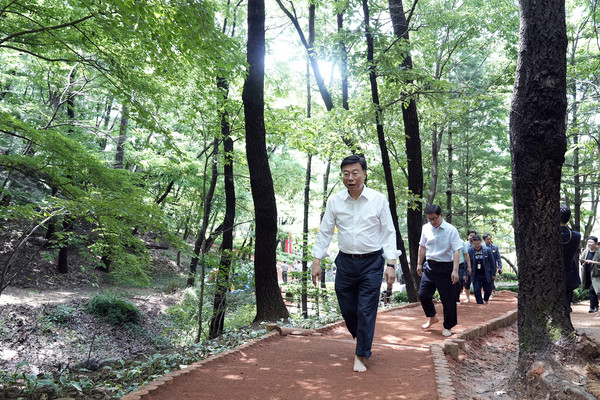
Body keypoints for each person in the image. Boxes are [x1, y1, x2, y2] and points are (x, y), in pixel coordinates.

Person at [311, 154, 397, 372]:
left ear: (365, 174)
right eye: (346, 173)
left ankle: (361, 353)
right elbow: (325, 231)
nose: (351, 177)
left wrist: (391, 264)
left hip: (372, 263)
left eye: (355, 172)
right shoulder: (335, 201)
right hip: (346, 263)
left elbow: (388, 232)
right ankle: (363, 336)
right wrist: (316, 260)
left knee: (366, 310)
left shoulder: (378, 200)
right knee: (348, 309)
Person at [417, 204, 463, 337]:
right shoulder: (426, 228)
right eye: (430, 219)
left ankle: (448, 326)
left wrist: (455, 270)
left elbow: (456, 250)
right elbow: (422, 246)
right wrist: (419, 263)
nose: (432, 222)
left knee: (448, 299)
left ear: (441, 215)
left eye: (435, 218)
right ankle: (432, 316)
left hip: (446, 267)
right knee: (423, 294)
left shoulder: (451, 230)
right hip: (430, 266)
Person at [560, 205, 581, 311]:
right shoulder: (576, 236)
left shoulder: (548, 235)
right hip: (569, 275)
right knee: (566, 307)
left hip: (551, 277)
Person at [468, 235, 496, 304]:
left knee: (488, 289)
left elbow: (492, 262)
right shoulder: (470, 251)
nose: (477, 246)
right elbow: (467, 262)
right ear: (472, 244)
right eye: (475, 244)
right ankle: (480, 304)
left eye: (478, 244)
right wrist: (466, 273)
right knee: (477, 290)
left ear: (481, 242)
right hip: (476, 274)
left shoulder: (487, 250)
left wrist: (493, 274)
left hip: (486, 273)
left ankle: (486, 299)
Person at [581, 236, 600, 312]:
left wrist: (593, 262)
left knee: (593, 289)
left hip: (596, 275)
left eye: (591, 242)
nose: (589, 244)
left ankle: (592, 307)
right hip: (587, 273)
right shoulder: (586, 251)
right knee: (592, 290)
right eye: (588, 242)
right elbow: (582, 259)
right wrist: (582, 261)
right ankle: (595, 306)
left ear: (595, 243)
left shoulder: (599, 252)